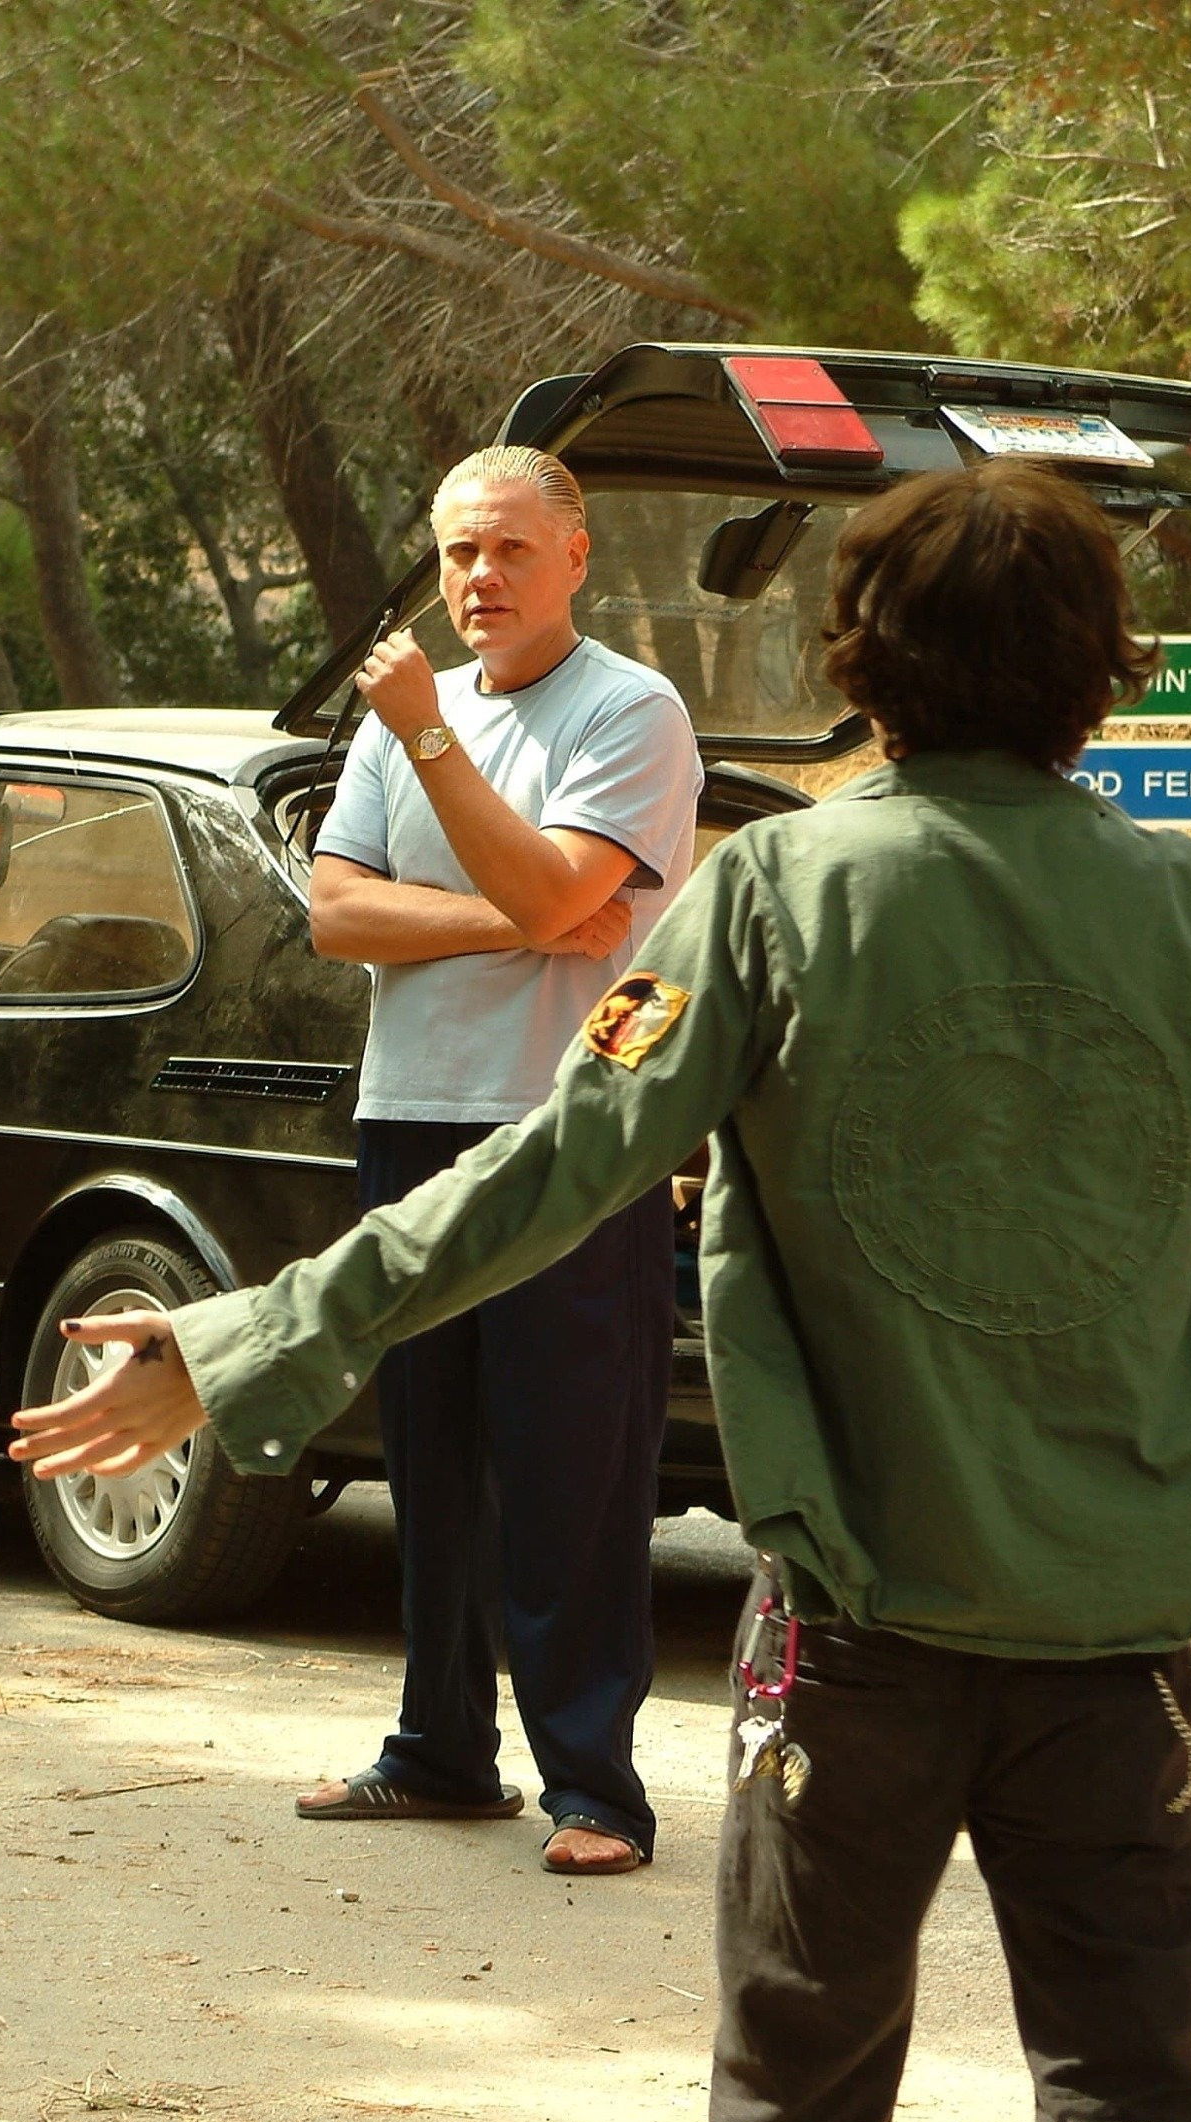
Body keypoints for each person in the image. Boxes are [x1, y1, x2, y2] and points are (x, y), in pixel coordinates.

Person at [12, 460, 1191, 2122]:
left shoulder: (772, 895)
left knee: (800, 2108)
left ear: (864, 662)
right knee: (1130, 2106)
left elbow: (542, 1173)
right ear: (1099, 673)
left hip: (854, 1642)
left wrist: (241, 1343)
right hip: (1119, 1645)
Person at [300, 445, 703, 1877]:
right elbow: (335, 913)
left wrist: (428, 741)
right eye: (460, 551)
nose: (480, 576)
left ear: (577, 559)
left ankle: (595, 1788)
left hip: (567, 1131)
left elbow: (557, 887)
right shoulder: (408, 714)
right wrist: (508, 921)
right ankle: (440, 1754)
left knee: (571, 1465)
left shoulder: (630, 712)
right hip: (410, 1116)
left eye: (512, 549)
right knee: (432, 1456)